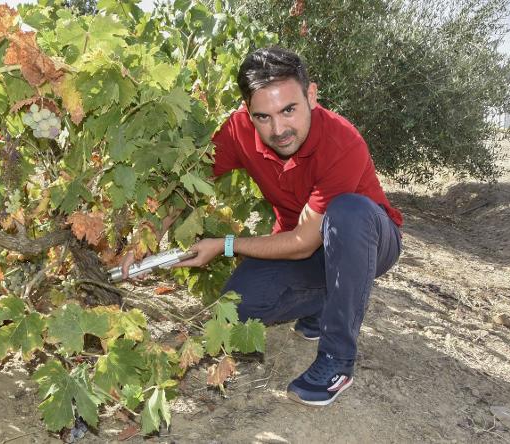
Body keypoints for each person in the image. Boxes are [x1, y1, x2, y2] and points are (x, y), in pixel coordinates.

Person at [124, 46, 403, 406]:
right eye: (263, 117)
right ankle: (320, 306)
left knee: (347, 213)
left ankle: (337, 360)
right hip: (303, 247)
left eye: (289, 110)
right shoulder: (238, 131)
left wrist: (226, 244)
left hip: (368, 240)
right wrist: (145, 237)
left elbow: (304, 241)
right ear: (247, 112)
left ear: (311, 96)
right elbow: (187, 181)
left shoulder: (340, 142)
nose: (279, 129)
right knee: (238, 306)